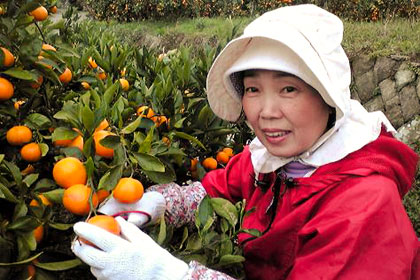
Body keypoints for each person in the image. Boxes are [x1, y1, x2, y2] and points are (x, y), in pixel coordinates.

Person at [72, 4, 419, 280]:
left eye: (288, 89)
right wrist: (154, 204)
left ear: (329, 99)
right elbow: (213, 191)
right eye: (252, 89)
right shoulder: (268, 160)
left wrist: (170, 275)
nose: (266, 111)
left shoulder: (364, 207)